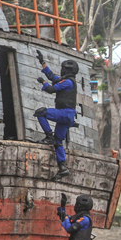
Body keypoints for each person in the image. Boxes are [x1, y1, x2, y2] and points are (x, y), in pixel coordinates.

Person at [34, 51, 79, 181]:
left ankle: (48, 136)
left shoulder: (68, 82)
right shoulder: (66, 81)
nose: (61, 70)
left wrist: (43, 82)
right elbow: (52, 76)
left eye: (63, 68)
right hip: (68, 116)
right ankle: (63, 168)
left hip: (65, 113)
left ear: (67, 70)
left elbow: (51, 89)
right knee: (58, 142)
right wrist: (43, 63)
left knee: (41, 112)